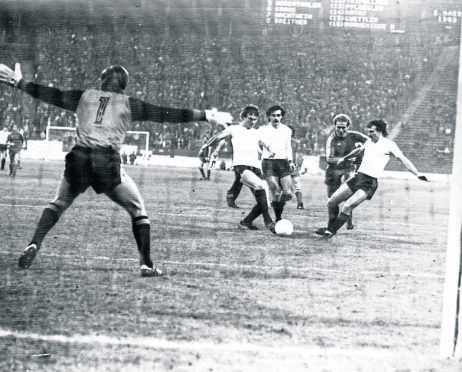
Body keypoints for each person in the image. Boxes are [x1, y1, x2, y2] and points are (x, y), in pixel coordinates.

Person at [0, 62, 232, 277]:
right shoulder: (129, 103)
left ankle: (34, 242)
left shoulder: (83, 96)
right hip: (106, 161)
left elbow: (50, 94)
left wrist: (19, 82)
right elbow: (165, 114)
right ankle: (146, 264)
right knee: (138, 209)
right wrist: (207, 115)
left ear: (102, 80)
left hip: (78, 158)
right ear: (124, 85)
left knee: (58, 203)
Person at [317, 119, 428, 238]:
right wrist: (344, 158)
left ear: (380, 131)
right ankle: (330, 228)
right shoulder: (369, 142)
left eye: (372, 132)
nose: (369, 134)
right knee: (331, 202)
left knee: (347, 206)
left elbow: (403, 159)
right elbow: (359, 150)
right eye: (368, 131)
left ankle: (330, 232)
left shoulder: (389, 145)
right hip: (357, 177)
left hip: (369, 182)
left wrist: (417, 174)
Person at [199, 104, 276, 233]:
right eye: (250, 118)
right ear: (243, 117)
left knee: (265, 202)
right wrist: (205, 146)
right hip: (242, 167)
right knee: (261, 187)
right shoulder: (234, 129)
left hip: (256, 168)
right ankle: (268, 222)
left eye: (255, 119)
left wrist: (269, 149)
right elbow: (218, 137)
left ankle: (246, 222)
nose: (252, 121)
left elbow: (263, 143)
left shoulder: (256, 133)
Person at [315, 114, 368, 235]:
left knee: (346, 195)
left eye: (343, 127)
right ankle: (331, 225)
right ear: (334, 126)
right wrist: (346, 158)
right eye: (338, 127)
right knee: (332, 201)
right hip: (333, 171)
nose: (340, 130)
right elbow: (329, 158)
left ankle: (345, 219)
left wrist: (363, 148)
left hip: (348, 170)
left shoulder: (355, 135)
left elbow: (370, 141)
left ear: (348, 127)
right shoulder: (332, 139)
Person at [259, 105, 294, 222]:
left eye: (278, 115)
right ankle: (278, 218)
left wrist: (290, 160)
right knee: (276, 191)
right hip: (268, 162)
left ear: (282, 117)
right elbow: (260, 141)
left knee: (287, 193)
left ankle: (278, 207)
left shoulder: (287, 130)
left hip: (283, 162)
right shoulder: (263, 129)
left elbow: (288, 146)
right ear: (269, 116)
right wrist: (267, 148)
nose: (276, 118)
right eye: (273, 115)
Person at [288, 125, 304, 209]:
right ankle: (275, 202)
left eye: (290, 131)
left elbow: (300, 155)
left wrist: (298, 164)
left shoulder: (295, 142)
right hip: (281, 166)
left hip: (293, 167)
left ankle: (300, 203)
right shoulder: (278, 141)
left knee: (297, 184)